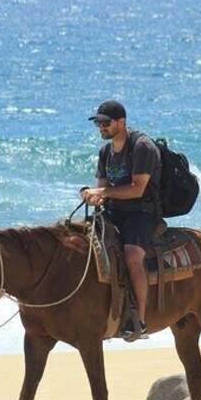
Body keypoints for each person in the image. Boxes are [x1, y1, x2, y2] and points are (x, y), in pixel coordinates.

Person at [80, 100, 162, 341]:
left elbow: (137, 189)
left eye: (105, 123)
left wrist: (103, 194)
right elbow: (103, 189)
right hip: (114, 210)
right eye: (98, 123)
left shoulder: (141, 146)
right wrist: (92, 196)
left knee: (132, 256)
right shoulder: (105, 152)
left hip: (141, 211)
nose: (101, 127)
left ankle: (140, 319)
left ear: (122, 122)